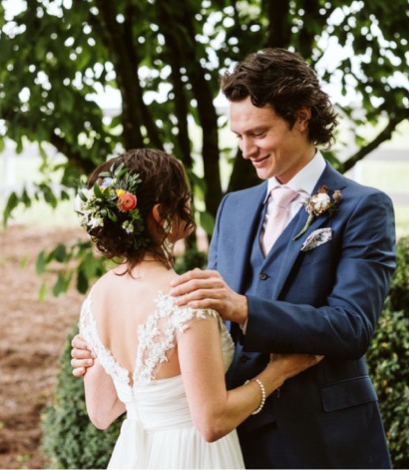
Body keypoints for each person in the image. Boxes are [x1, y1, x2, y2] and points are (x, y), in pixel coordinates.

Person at [72, 49, 397, 468]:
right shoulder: (235, 207)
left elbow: (352, 326)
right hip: (228, 439)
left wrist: (242, 308)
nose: (247, 150)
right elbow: (191, 325)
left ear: (301, 118)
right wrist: (113, 355)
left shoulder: (363, 208)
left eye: (258, 133)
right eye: (239, 135)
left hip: (323, 441)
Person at [73, 148, 321, 468]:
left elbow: (101, 413)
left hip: (135, 455)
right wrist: (279, 371)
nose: (188, 205)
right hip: (193, 457)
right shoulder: (188, 299)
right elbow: (212, 422)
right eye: (184, 197)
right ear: (161, 214)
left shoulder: (96, 298)